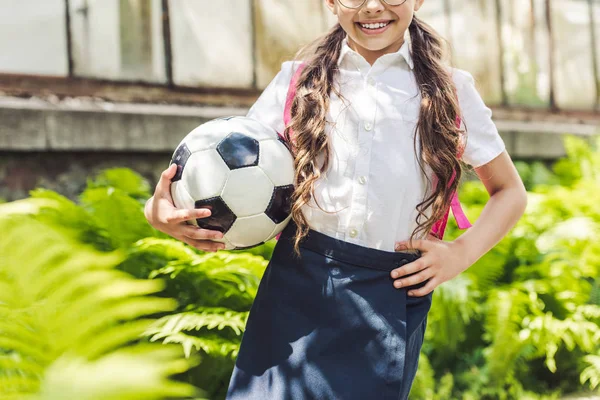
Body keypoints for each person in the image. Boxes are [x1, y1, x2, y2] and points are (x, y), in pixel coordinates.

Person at [144, 0, 528, 398]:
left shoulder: (452, 91)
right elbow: (230, 166)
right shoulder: (297, 82)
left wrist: (460, 254)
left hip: (391, 295)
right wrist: (160, 211)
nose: (372, 6)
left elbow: (509, 192)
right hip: (296, 286)